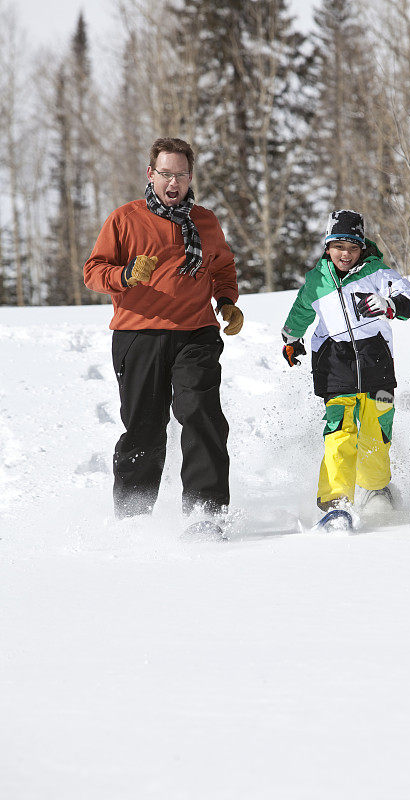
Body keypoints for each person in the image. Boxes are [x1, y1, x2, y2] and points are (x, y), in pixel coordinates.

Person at [84, 136, 243, 520]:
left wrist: (226, 301)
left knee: (202, 413)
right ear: (150, 174)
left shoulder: (204, 221)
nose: (174, 183)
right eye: (166, 174)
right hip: (140, 335)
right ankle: (133, 516)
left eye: (182, 175)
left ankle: (205, 512)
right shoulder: (125, 218)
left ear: (190, 177)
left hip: (197, 333)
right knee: (145, 428)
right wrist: (123, 275)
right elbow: (92, 272)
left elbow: (221, 267)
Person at [281, 210, 410, 513]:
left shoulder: (378, 273)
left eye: (353, 247)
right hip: (334, 365)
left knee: (376, 436)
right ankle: (335, 502)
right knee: (338, 435)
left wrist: (390, 304)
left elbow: (406, 298)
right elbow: (302, 309)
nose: (346, 254)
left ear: (362, 248)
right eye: (339, 246)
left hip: (377, 366)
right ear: (327, 247)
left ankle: (376, 488)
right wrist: (290, 338)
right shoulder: (317, 280)